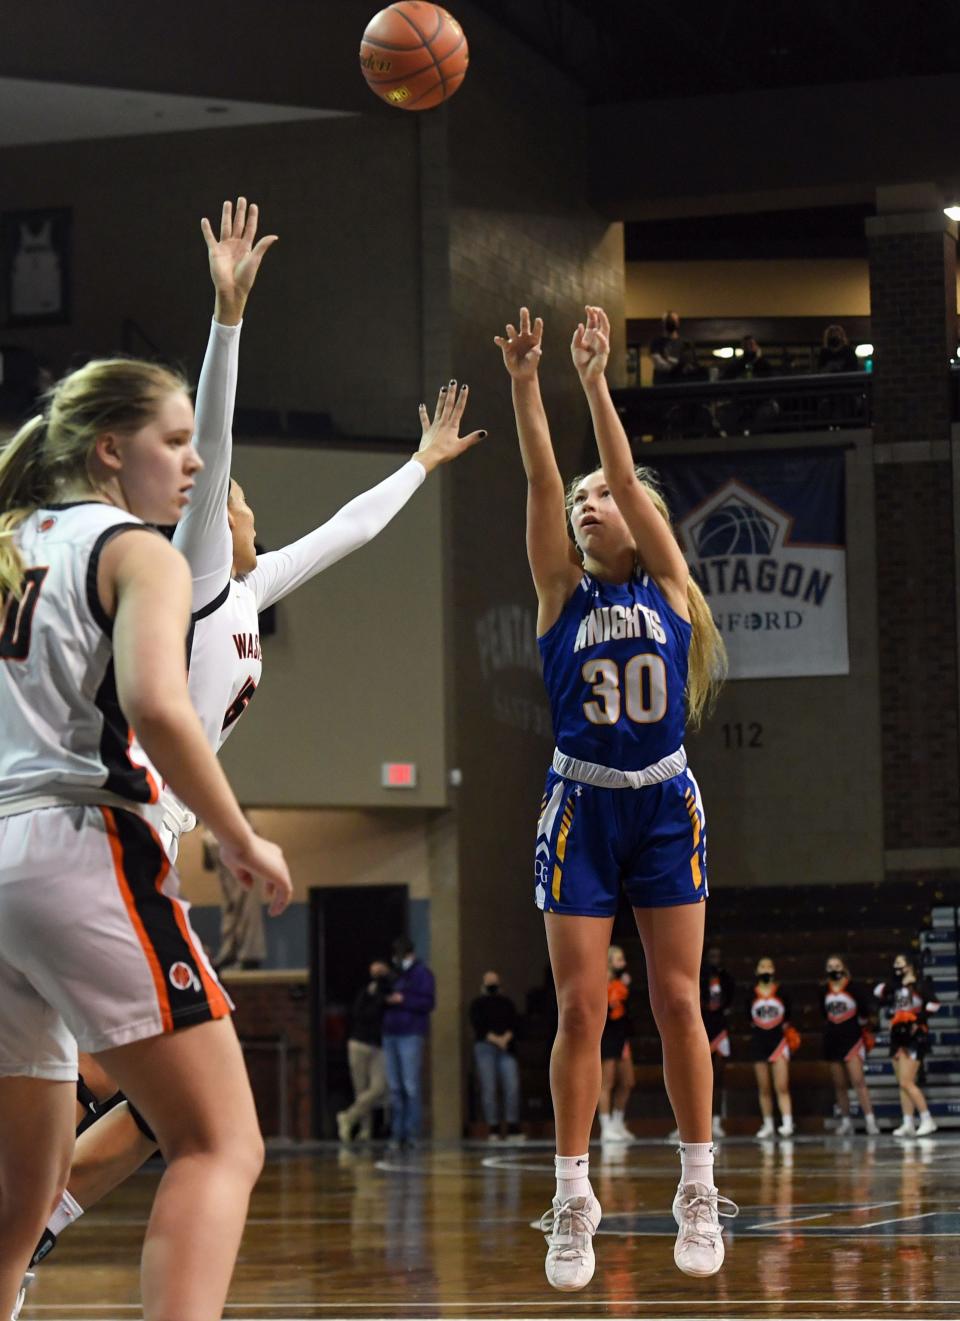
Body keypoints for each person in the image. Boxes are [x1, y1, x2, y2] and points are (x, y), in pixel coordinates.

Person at [24, 197, 486, 1283]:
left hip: (124, 839)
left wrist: (420, 463)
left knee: (150, 1104)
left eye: (222, 489)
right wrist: (227, 318)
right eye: (196, 471)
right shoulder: (182, 565)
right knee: (195, 1118)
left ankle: (35, 1222)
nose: (211, 486)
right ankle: (43, 1205)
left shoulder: (248, 582)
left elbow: (351, 529)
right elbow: (212, 430)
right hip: (111, 835)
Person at [0, 347, 292, 1320]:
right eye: (176, 442)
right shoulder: (136, 551)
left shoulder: (9, 543)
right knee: (221, 1142)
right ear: (110, 450)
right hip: (81, 845)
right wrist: (240, 833)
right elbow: (158, 709)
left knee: (17, 1206)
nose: (195, 463)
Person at [495, 304, 734, 1289]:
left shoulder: (671, 589)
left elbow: (623, 478)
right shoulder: (561, 593)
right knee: (581, 1012)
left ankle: (696, 1180)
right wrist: (525, 385)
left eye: (607, 498)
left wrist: (595, 383)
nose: (589, 504)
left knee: (679, 1001)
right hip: (582, 809)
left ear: (642, 525)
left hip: (664, 803)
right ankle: (574, 1191)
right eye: (584, 502)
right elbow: (545, 482)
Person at [874, 953, 940, 1137]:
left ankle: (927, 1119)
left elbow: (934, 1004)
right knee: (901, 1083)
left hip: (914, 1036)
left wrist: (918, 1020)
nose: (897, 967)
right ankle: (908, 1122)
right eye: (895, 963)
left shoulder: (920, 984)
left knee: (907, 1081)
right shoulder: (896, 985)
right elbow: (878, 992)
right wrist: (893, 981)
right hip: (898, 1036)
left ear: (910, 966)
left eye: (900, 964)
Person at [382, 935, 436, 1150]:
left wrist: (404, 1000)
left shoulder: (422, 974)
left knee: (410, 1086)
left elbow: (428, 1002)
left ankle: (412, 1134)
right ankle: (397, 1133)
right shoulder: (392, 974)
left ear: (411, 955)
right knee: (394, 1088)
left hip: (411, 1033)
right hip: (390, 1032)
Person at [821, 955, 879, 1136]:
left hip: (852, 1038)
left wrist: (860, 1026)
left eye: (837, 965)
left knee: (858, 1081)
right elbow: (824, 1014)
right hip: (832, 1038)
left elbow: (864, 1011)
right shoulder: (823, 990)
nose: (833, 969)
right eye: (830, 966)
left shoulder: (853, 988)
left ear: (843, 967)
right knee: (839, 1084)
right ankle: (846, 1121)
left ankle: (870, 1120)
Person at [337, 960, 392, 1143]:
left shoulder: (388, 988)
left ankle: (348, 1117)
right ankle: (364, 1131)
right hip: (359, 1044)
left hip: (378, 1045)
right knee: (360, 1090)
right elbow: (362, 1014)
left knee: (378, 1088)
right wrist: (376, 997)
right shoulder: (365, 992)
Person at [468, 969, 525, 1142]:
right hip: (485, 1047)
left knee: (511, 1085)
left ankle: (513, 1125)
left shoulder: (507, 1003)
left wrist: (505, 1038)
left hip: (506, 1048)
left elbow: (515, 1022)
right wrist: (494, 1038)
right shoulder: (477, 1004)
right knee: (489, 1087)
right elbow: (478, 1025)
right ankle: (493, 1127)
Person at [203, 819, 266, 971]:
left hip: (244, 868)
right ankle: (230, 953)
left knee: (247, 909)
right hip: (227, 869)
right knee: (230, 910)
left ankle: (249, 956)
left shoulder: (244, 826)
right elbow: (208, 865)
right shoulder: (208, 834)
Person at [750, 956, 795, 1139]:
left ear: (774, 970)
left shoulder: (782, 992)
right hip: (759, 1042)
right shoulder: (751, 994)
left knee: (782, 1085)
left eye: (769, 966)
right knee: (764, 1087)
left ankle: (787, 1122)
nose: (766, 969)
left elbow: (788, 1016)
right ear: (757, 971)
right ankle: (768, 1124)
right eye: (762, 966)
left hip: (778, 1042)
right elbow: (750, 1018)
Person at [597, 946, 636, 1144]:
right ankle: (606, 1127)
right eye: (618, 959)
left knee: (628, 1081)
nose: (622, 963)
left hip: (622, 1036)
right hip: (607, 1035)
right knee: (607, 1082)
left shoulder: (622, 982)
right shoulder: (602, 981)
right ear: (609, 961)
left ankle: (618, 1122)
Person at [701, 945, 735, 1139]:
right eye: (712, 955)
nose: (715, 959)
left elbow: (729, 998)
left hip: (720, 1028)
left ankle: (716, 1121)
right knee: (703, 1074)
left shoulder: (726, 978)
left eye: (718, 956)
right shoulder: (701, 977)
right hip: (705, 1027)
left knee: (719, 1077)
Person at [648, 311, 699, 383]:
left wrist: (670, 361)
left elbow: (690, 366)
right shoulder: (656, 343)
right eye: (668, 320)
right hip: (661, 387)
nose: (670, 322)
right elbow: (660, 364)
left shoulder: (686, 344)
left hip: (680, 386)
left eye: (673, 320)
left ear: (678, 323)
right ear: (663, 323)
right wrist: (678, 364)